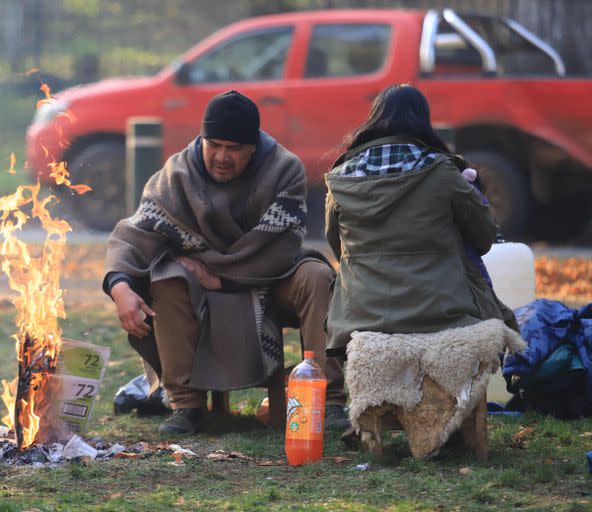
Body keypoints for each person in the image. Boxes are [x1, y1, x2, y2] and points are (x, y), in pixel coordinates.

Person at [103, 90, 345, 435]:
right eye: (213, 144)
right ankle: (187, 405)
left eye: (234, 148)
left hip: (272, 275)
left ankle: (329, 399)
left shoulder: (284, 168)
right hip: (198, 284)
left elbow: (281, 247)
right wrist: (120, 286)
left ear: (254, 146)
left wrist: (224, 279)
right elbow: (136, 233)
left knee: (318, 276)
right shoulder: (178, 174)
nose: (221, 156)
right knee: (167, 279)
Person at [324, 83, 518, 362]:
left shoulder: (340, 178)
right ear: (423, 122)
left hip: (359, 317)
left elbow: (336, 244)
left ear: (375, 118)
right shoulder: (443, 172)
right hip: (442, 314)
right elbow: (485, 237)